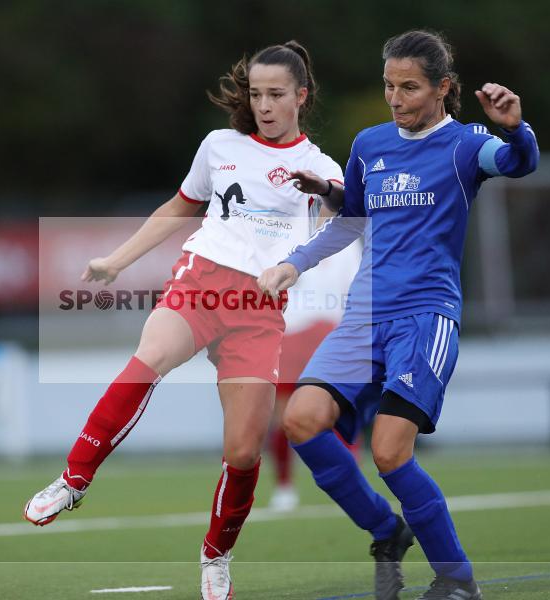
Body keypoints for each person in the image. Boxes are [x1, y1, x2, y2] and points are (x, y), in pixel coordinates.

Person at [24, 41, 343, 600]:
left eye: (276, 94)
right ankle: (74, 479)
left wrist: (324, 201)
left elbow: (348, 213)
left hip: (260, 310)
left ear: (301, 96)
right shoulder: (219, 145)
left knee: (244, 452)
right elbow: (178, 207)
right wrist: (116, 261)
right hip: (200, 280)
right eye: (256, 94)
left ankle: (216, 557)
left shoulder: (319, 165)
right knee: (150, 357)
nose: (264, 105)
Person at [258, 30, 539, 600]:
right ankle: (387, 530)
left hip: (424, 318)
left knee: (389, 451)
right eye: (389, 85)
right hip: (363, 317)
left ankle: (457, 579)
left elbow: (516, 162)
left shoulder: (465, 144)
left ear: (443, 89)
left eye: (409, 87)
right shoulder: (370, 143)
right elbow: (353, 217)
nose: (396, 98)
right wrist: (295, 260)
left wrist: (515, 127)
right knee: (301, 419)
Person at [268, 239, 362, 511]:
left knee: (339, 410)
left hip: (331, 333)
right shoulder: (285, 235)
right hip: (290, 333)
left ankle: (352, 485)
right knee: (284, 416)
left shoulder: (348, 241)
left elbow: (355, 289)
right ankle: (284, 486)